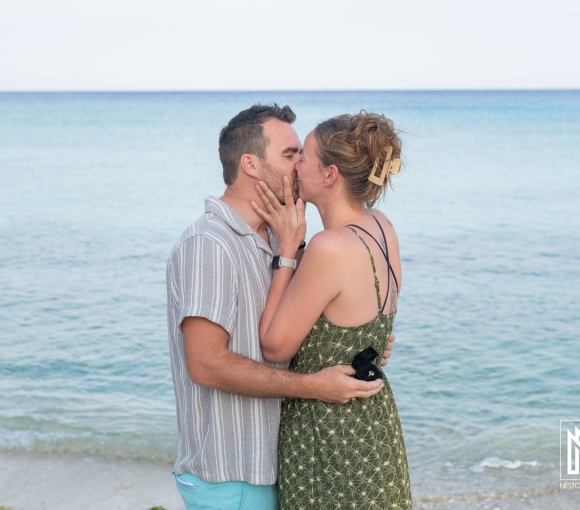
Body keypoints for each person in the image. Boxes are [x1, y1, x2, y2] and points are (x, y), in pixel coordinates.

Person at [166, 104, 395, 510]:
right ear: (251, 164)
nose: (298, 165)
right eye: (290, 155)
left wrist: (362, 342)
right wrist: (313, 386)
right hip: (233, 476)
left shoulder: (281, 239)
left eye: (301, 156)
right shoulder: (209, 245)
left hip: (285, 465)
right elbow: (205, 364)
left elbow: (319, 316)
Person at [251, 111, 411, 509]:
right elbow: (367, 322)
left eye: (303, 156)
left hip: (331, 436)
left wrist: (287, 251)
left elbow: (274, 347)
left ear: (329, 174)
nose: (296, 164)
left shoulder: (330, 247)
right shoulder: (382, 225)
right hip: (374, 426)